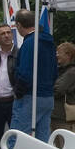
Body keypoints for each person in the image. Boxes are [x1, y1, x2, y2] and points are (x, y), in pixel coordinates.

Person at [11, 9, 57, 141]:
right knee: (42, 139)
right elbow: (54, 71)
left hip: (30, 95)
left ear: (19, 25)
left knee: (17, 137)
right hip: (47, 96)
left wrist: (18, 92)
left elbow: (25, 72)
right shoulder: (49, 43)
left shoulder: (30, 43)